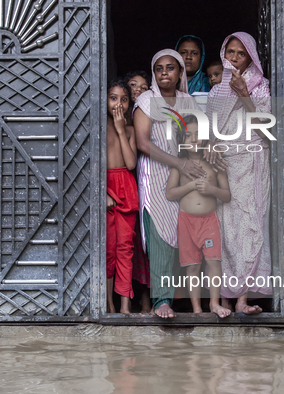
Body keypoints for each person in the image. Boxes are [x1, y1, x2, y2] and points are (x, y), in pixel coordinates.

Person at [205, 32, 273, 315]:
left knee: (250, 225)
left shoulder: (261, 87)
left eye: (240, 53)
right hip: (225, 166)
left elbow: (265, 130)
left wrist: (245, 94)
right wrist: (212, 150)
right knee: (227, 232)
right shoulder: (216, 90)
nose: (233, 58)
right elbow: (208, 131)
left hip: (252, 163)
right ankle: (225, 298)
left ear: (251, 58)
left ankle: (242, 299)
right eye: (230, 52)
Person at [134, 49, 204, 318]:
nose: (164, 73)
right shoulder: (146, 100)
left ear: (180, 73)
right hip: (156, 178)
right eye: (159, 68)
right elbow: (142, 143)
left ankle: (188, 301)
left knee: (186, 236)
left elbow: (199, 137)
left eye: (170, 68)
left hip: (186, 176)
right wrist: (179, 163)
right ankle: (161, 301)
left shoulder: (188, 102)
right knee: (161, 236)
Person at [165, 115, 232, 318]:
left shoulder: (214, 163)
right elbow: (170, 193)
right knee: (192, 266)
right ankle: (196, 309)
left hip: (209, 221)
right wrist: (190, 186)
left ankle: (214, 304)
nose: (194, 140)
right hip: (186, 222)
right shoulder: (180, 165)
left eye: (198, 135)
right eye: (188, 136)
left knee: (214, 263)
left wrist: (211, 189)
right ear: (181, 141)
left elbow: (227, 195)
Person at [106, 79, 138, 314]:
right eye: (113, 98)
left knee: (125, 249)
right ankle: (108, 305)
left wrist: (120, 129)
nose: (118, 103)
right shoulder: (98, 126)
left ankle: (125, 306)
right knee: (108, 251)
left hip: (126, 188)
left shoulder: (129, 130)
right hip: (108, 189)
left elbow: (131, 163)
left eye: (124, 99)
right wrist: (103, 193)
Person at [123, 70, 152, 312]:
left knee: (146, 241)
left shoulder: (147, 114)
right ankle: (131, 297)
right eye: (133, 85)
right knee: (128, 242)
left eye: (143, 86)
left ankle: (147, 298)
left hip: (148, 179)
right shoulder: (122, 119)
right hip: (126, 181)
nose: (138, 90)